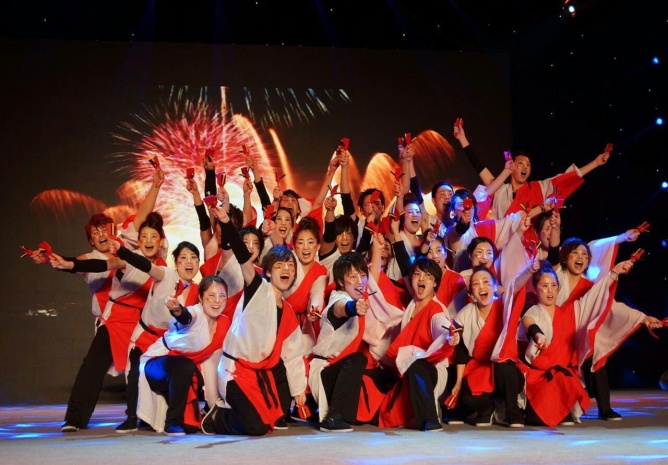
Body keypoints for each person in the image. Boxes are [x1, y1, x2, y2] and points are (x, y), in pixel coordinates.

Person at [201, 208, 307, 436]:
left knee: (274, 417)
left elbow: (293, 353)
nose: (286, 270)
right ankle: (217, 416)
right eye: (279, 266)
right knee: (256, 427)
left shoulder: (288, 312)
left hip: (259, 373)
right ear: (267, 272)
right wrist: (227, 223)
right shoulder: (258, 289)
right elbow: (242, 257)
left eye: (290, 266)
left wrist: (299, 389)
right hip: (234, 371)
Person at [518, 261, 631, 427]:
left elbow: (593, 297)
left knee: (566, 378)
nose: (550, 290)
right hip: (538, 378)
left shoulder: (570, 312)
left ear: (558, 289)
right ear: (535, 289)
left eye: (553, 286)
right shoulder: (533, 311)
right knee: (537, 418)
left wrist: (613, 273)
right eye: (544, 286)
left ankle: (562, 410)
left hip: (562, 377)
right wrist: (538, 335)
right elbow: (529, 323)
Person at [137, 275, 237, 436]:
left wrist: (215, 403)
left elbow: (213, 363)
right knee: (185, 365)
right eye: (211, 296)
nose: (217, 301)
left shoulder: (224, 323)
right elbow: (186, 317)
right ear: (200, 298)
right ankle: (172, 422)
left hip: (183, 370)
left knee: (190, 427)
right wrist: (177, 310)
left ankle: (191, 413)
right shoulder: (196, 313)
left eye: (222, 296)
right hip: (156, 364)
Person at [379, 257, 459, 431]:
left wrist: (449, 336)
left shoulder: (436, 309)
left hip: (430, 369)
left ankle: (430, 419)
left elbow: (443, 326)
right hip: (408, 368)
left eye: (428, 276)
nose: (421, 279)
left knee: (416, 366)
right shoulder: (410, 306)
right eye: (417, 274)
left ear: (435, 283)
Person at [309, 252, 371, 432]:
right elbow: (342, 308)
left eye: (363, 275)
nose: (360, 281)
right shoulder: (339, 299)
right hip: (325, 371)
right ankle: (333, 418)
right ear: (341, 282)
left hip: (336, 370)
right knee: (358, 359)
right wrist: (354, 308)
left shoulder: (358, 297)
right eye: (352, 277)